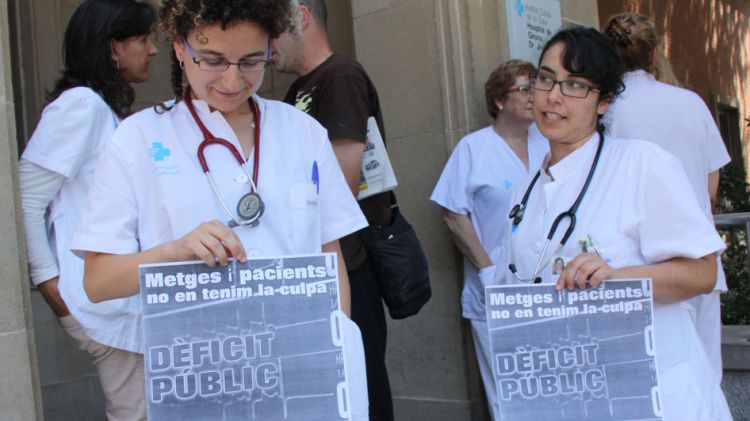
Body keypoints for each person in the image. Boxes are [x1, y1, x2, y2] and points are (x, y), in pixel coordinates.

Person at [70, 1, 369, 419]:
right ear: (178, 47)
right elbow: (97, 282)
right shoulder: (136, 140)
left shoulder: (303, 132)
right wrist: (173, 252)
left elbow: (328, 253)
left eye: (251, 61)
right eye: (212, 60)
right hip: (200, 381)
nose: (232, 79)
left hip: (298, 371)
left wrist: (332, 351)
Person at [497, 26, 732, 419]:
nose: (554, 96)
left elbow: (702, 273)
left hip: (652, 392)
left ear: (603, 101)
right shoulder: (525, 190)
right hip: (569, 394)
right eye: (546, 79)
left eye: (575, 85)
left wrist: (616, 277)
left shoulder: (643, 165)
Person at [19, 1, 158, 419]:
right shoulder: (81, 105)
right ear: (113, 48)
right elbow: (25, 197)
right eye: (143, 39)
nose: (152, 50)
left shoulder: (99, 109)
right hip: (99, 302)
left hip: (113, 298)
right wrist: (48, 281)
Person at [271, 1, 395, 419]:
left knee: (361, 385)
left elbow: (341, 184)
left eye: (272, 29)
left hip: (348, 260)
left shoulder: (339, 75)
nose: (265, 46)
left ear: (300, 16)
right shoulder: (298, 88)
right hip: (316, 264)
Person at [602, 12, 731, 381]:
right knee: (705, 370)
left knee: (650, 376)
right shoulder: (690, 103)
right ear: (654, 55)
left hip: (636, 264)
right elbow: (710, 188)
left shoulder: (608, 113)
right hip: (698, 257)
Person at [429, 59, 547, 420]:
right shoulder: (474, 149)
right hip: (494, 290)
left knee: (550, 387)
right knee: (507, 394)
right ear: (499, 100)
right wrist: (487, 269)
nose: (534, 97)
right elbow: (453, 214)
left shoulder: (549, 145)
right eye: (525, 89)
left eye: (536, 88)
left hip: (549, 287)